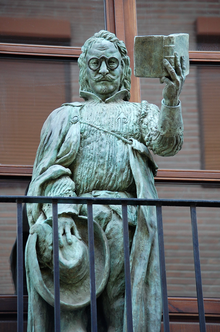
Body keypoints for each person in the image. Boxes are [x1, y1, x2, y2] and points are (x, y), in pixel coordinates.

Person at [26, 30, 185, 332]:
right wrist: (63, 212)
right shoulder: (65, 117)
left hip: (123, 222)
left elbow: (167, 143)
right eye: (95, 63)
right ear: (84, 69)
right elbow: (50, 171)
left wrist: (171, 98)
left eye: (112, 64)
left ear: (124, 71)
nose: (102, 70)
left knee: (121, 308)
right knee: (71, 309)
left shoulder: (140, 113)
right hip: (75, 223)